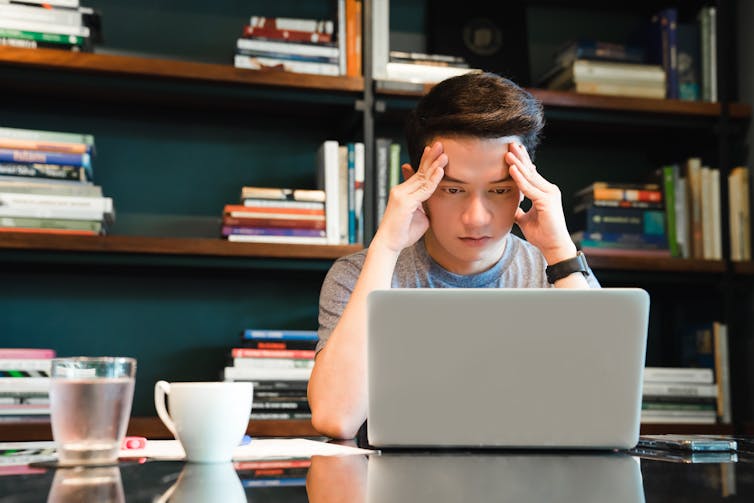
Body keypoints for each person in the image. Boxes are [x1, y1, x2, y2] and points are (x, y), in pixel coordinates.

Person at [308, 71, 600, 440]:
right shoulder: (356, 275)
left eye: (499, 190)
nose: (476, 218)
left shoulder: (560, 273)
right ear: (415, 184)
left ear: (528, 185)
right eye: (452, 189)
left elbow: (602, 408)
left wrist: (560, 253)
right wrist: (385, 247)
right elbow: (336, 417)